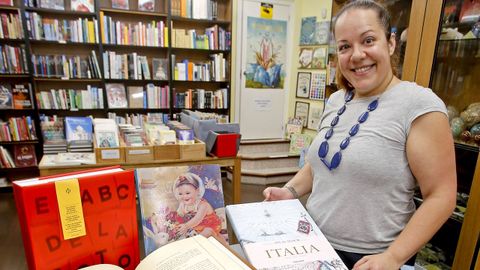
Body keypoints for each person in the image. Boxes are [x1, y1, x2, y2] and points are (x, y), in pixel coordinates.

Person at [264, 1, 456, 269]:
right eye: (344, 46)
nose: (356, 55)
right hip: (314, 242)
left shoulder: (419, 105)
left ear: (390, 43)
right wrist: (291, 191)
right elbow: (322, 162)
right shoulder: (337, 100)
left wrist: (394, 257)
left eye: (368, 40)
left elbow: (442, 195)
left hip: (373, 258)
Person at [173, 172, 224, 241]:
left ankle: (197, 242)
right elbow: (179, 216)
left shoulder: (203, 205)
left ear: (197, 191)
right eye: (180, 194)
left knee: (207, 231)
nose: (184, 196)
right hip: (196, 227)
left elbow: (197, 219)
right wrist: (177, 225)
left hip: (211, 226)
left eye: (187, 193)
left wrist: (186, 226)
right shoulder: (183, 205)